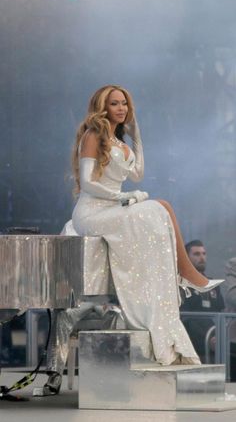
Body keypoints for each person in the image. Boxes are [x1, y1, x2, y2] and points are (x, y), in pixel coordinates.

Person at [40, 85, 224, 394]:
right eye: (114, 103)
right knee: (155, 209)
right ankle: (189, 275)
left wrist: (137, 136)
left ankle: (187, 275)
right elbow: (87, 183)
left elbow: (137, 173)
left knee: (161, 207)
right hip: (93, 211)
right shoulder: (93, 136)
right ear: (103, 106)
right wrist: (123, 196)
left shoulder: (118, 141)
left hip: (116, 208)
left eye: (124, 103)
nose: (121, 108)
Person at [180, 240, 225, 362]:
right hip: (191, 345)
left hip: (215, 343)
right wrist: (207, 338)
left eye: (204, 253)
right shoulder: (180, 285)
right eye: (197, 254)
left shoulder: (213, 285)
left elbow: (221, 314)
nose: (202, 257)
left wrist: (219, 336)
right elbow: (186, 318)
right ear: (187, 257)